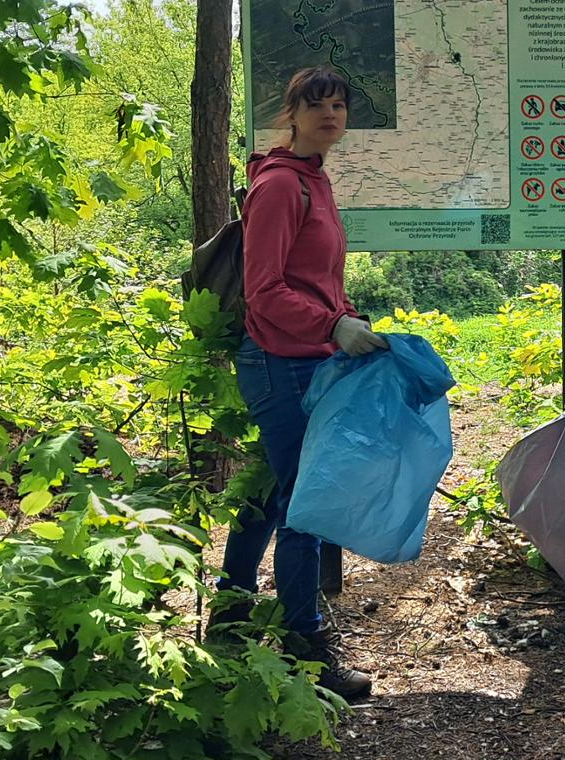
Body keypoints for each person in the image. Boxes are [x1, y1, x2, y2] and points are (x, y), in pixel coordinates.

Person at [212, 67, 385, 698]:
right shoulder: (283, 185)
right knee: (306, 507)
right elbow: (264, 290)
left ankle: (229, 620)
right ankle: (305, 651)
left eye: (339, 104)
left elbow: (313, 278)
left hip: (305, 357)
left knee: (271, 493)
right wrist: (333, 326)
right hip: (280, 361)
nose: (331, 114)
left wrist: (343, 317)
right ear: (292, 113)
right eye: (317, 105)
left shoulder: (315, 178)